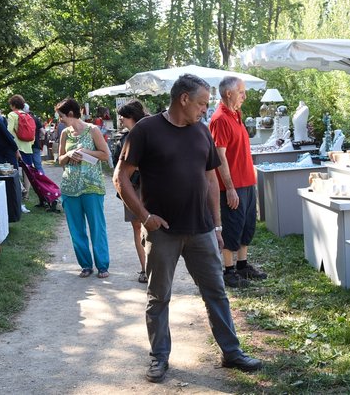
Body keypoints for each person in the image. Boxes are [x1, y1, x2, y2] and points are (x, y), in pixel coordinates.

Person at [113, 74, 264, 384]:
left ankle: (231, 352)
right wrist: (144, 216)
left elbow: (211, 179)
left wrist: (218, 224)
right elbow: (120, 177)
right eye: (201, 104)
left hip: (202, 230)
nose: (204, 110)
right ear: (183, 99)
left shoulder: (201, 132)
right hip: (163, 232)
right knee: (159, 297)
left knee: (216, 293)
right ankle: (159, 357)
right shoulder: (146, 131)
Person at [208, 76, 267, 288]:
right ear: (228, 93)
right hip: (232, 186)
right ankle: (229, 271)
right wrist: (230, 188)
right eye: (241, 91)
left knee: (247, 226)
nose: (245, 95)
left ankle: (242, 266)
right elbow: (220, 157)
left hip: (247, 182)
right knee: (232, 227)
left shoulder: (236, 115)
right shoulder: (220, 119)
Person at [55, 97, 111, 279]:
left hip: (92, 186)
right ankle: (86, 265)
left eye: (61, 116)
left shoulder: (92, 130)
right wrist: (69, 154)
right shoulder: (65, 133)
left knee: (97, 227)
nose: (60, 120)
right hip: (70, 187)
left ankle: (102, 266)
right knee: (76, 229)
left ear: (71, 114)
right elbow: (59, 159)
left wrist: (86, 152)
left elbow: (105, 155)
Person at [112, 100, 148, 284]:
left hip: (148, 186)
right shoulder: (125, 137)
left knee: (151, 227)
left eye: (123, 117)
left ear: (130, 117)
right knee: (136, 226)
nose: (120, 120)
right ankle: (145, 268)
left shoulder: (149, 132)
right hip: (132, 187)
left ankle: (153, 268)